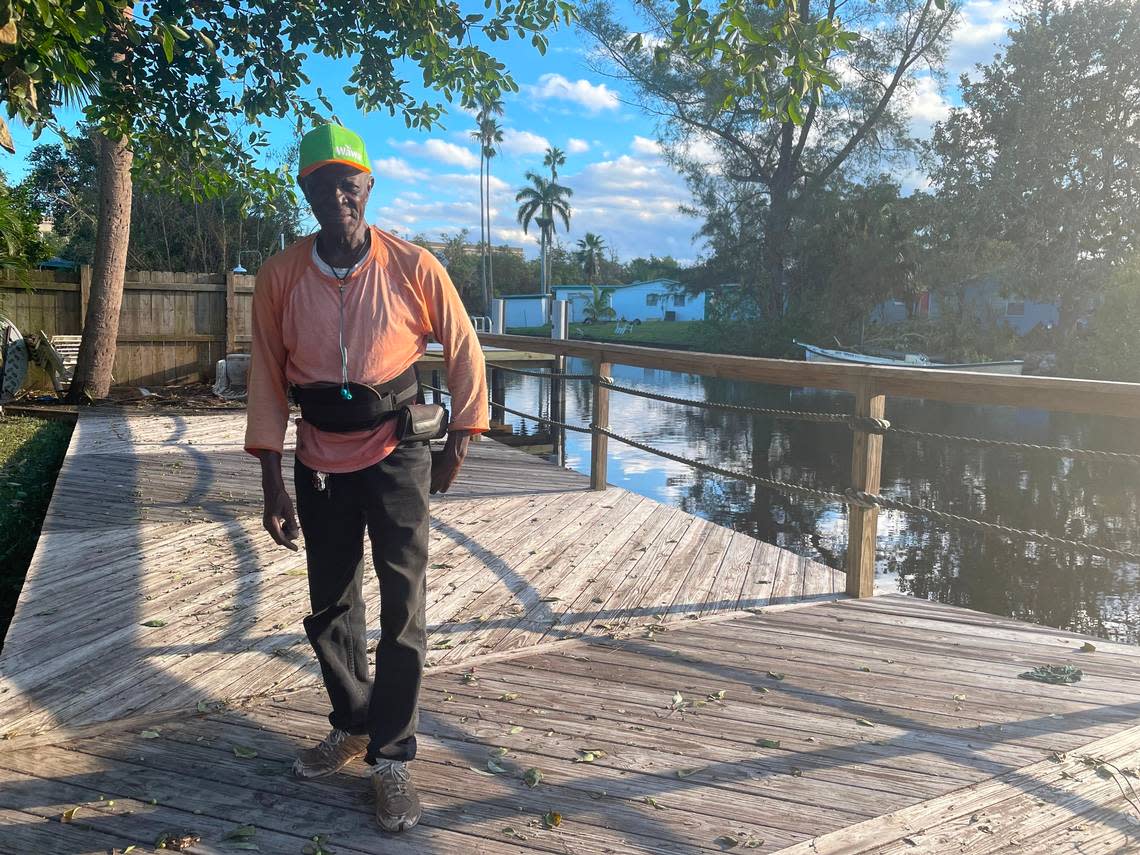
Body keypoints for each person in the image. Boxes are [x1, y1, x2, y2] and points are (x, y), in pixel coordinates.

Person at [244, 124, 489, 833]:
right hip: (318, 455)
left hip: (397, 452)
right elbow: (265, 372)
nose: (337, 197)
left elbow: (465, 346)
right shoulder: (281, 275)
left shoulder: (414, 265)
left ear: (368, 188)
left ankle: (393, 758)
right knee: (330, 603)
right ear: (307, 194)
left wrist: (460, 443)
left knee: (403, 603)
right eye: (322, 186)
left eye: (348, 184)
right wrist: (271, 479)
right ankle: (352, 725)